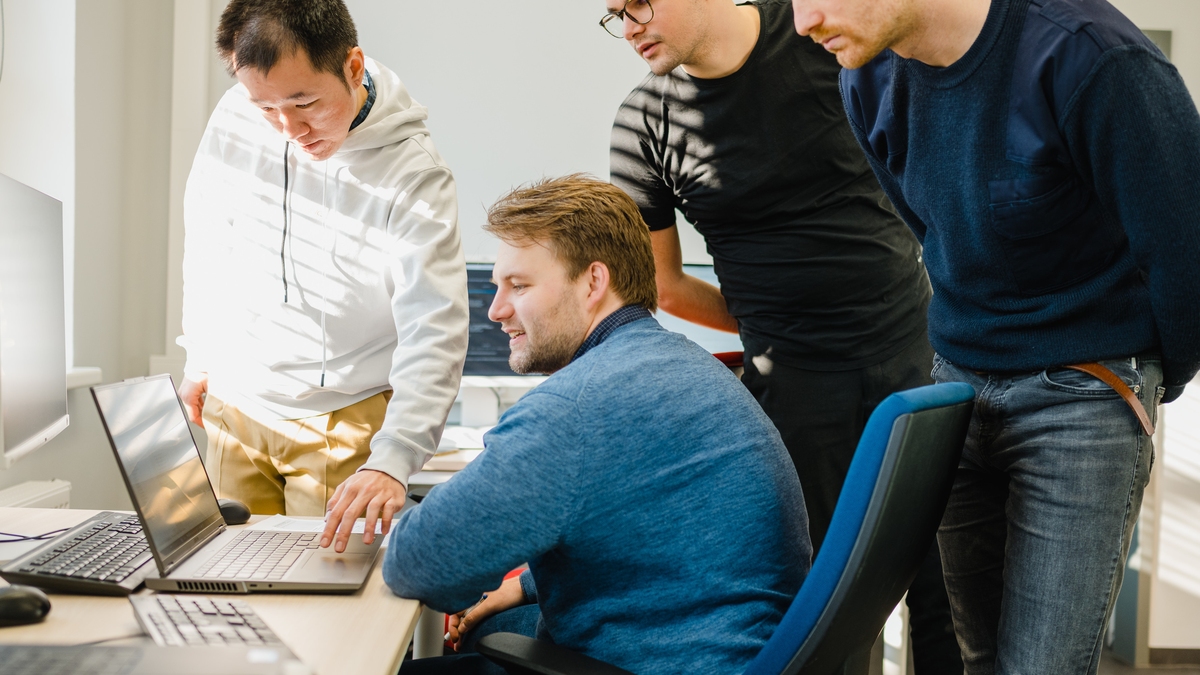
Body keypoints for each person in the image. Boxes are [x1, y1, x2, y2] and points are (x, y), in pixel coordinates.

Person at [791, 0, 1200, 671]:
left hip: (1085, 393)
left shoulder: (1091, 58)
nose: (802, 21)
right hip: (956, 385)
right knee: (977, 655)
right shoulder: (863, 77)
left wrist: (1146, 381)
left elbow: (1188, 253)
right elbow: (931, 228)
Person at [605, 0, 960, 670]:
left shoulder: (821, 36)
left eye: (637, 5)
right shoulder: (644, 121)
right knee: (828, 600)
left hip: (917, 349)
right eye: (613, 15)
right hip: (793, 387)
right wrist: (774, 323)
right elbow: (660, 283)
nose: (627, 27)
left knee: (945, 583)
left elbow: (934, 167)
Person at [383, 175, 811, 675]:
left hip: (653, 660)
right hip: (725, 646)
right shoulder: (686, 365)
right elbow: (650, 531)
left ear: (593, 282)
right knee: (485, 628)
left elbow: (420, 566)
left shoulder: (574, 408)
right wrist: (520, 585)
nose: (496, 310)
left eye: (518, 286)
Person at [177, 0, 468, 552]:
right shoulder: (236, 113)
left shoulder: (412, 172)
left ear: (353, 68)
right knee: (215, 584)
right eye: (266, 108)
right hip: (236, 403)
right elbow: (210, 237)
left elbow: (436, 324)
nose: (289, 128)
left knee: (328, 609)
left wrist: (395, 457)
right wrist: (200, 353)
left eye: (305, 101)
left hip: (344, 415)